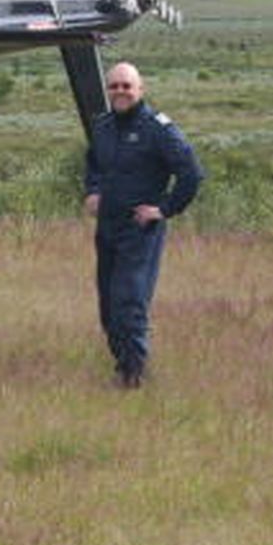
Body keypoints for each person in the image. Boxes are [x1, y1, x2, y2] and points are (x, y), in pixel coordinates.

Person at [81, 61, 203, 389]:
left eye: (126, 86)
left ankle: (133, 377)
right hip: (107, 230)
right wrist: (93, 192)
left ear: (140, 89)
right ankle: (123, 364)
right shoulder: (103, 127)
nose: (120, 91)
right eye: (114, 86)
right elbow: (93, 165)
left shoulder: (158, 130)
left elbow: (191, 173)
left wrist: (163, 209)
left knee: (128, 301)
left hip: (139, 231)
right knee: (108, 308)